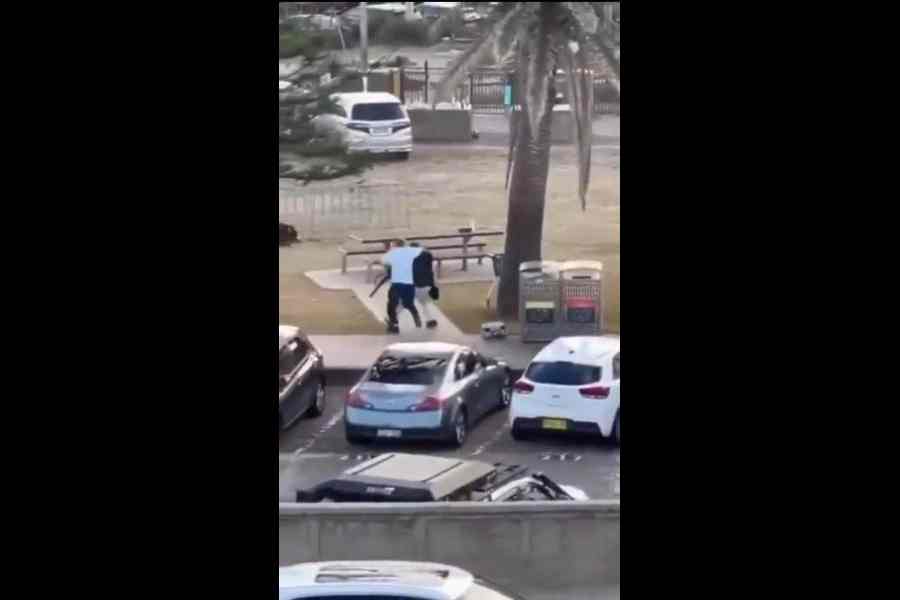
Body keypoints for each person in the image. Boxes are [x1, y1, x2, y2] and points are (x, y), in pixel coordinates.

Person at [380, 239, 422, 334]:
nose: (391, 247)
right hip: (409, 284)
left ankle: (394, 325)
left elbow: (385, 263)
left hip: (398, 284)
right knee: (408, 303)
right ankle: (417, 318)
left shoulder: (394, 254)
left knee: (392, 305)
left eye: (392, 245)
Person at [409, 242, 439, 329]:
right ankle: (430, 320)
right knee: (424, 303)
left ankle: (392, 320)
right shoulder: (427, 255)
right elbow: (431, 271)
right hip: (426, 284)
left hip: (414, 285)